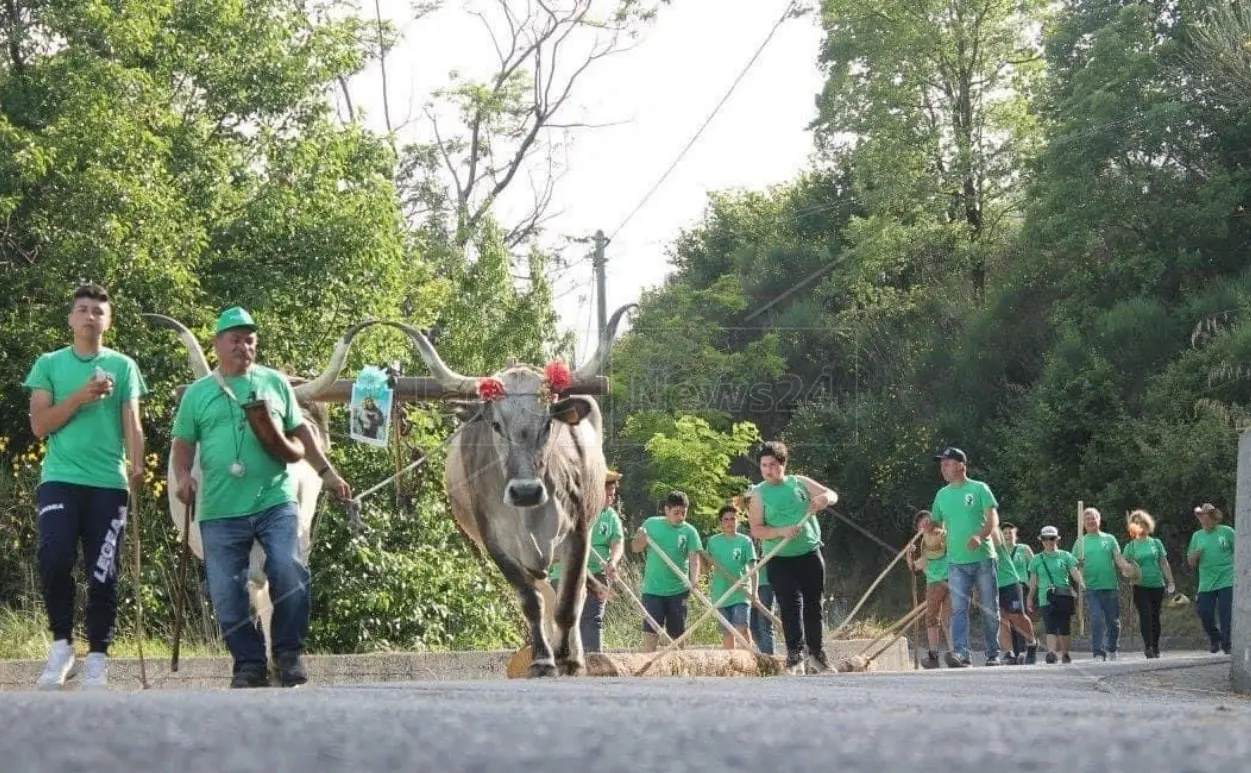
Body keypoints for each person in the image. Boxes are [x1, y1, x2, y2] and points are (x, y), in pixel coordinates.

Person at [171, 306, 351, 688]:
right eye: (235, 338)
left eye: (250, 339)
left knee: (289, 569)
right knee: (224, 589)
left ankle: (288, 655)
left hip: (274, 499)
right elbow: (183, 443)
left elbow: (300, 433)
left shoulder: (275, 383)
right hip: (219, 507)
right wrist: (183, 476)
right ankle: (249, 663)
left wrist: (328, 474)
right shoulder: (198, 395)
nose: (243, 345)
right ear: (218, 344)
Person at [22, 284, 148, 690]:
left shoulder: (124, 365)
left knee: (103, 571)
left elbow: (133, 420)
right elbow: (40, 426)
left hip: (108, 483)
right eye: (82, 309)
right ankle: (62, 646)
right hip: (60, 478)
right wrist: (81, 395)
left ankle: (98, 656)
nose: (90, 316)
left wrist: (139, 463)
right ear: (71, 319)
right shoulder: (50, 364)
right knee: (54, 555)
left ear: (107, 321)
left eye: (98, 310)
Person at [747, 440, 839, 674]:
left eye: (772, 464)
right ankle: (794, 654)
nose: (768, 469)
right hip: (779, 557)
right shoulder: (758, 494)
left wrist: (824, 499)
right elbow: (756, 529)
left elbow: (832, 494)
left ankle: (817, 653)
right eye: (763, 465)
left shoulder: (799, 482)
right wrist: (780, 531)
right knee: (790, 604)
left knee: (813, 604)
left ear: (783, 464)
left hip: (809, 552)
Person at [928, 447, 1001, 668]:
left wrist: (980, 536)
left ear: (961, 465)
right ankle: (961, 653)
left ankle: (993, 653)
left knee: (989, 605)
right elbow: (937, 523)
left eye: (947, 464)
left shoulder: (980, 489)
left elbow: (993, 520)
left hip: (983, 558)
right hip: (956, 561)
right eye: (941, 465)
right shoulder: (941, 494)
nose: (943, 468)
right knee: (959, 608)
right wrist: (929, 527)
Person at [550, 469, 625, 653]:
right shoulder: (574, 510)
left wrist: (613, 562)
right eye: (609, 494)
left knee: (593, 618)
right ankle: (562, 658)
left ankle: (593, 658)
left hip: (598, 574)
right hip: (566, 573)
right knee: (564, 618)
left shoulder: (610, 516)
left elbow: (617, 542)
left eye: (613, 494)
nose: (612, 498)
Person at [632, 490, 702, 652]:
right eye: (676, 513)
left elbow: (694, 558)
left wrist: (694, 581)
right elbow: (635, 548)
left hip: (679, 589)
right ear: (666, 510)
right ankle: (648, 665)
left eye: (683, 513)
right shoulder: (650, 524)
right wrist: (641, 540)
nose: (680, 517)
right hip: (653, 589)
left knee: (677, 632)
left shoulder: (689, 531)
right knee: (651, 630)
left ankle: (678, 667)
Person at [1072, 507, 1132, 661]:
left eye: (1094, 518)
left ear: (1099, 520)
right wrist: (1080, 576)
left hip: (1110, 586)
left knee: (1113, 622)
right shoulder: (1080, 542)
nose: (1091, 521)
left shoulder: (1109, 539)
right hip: (1091, 587)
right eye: (1087, 519)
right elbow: (1073, 565)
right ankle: (1098, 652)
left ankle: (1112, 647)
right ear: (1084, 523)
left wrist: (1126, 567)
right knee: (1096, 618)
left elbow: (1118, 558)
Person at [1121, 509, 1175, 659]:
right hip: (1140, 585)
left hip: (1157, 583)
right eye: (1136, 523)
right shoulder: (1130, 547)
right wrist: (1129, 571)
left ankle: (1156, 646)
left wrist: (1170, 581)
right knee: (1145, 615)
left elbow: (1163, 563)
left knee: (1155, 616)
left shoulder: (1156, 543)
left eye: (1142, 523)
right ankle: (1148, 646)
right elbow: (1125, 567)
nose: (1140, 526)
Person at [1027, 525, 1083, 664]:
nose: (1049, 541)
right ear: (1042, 540)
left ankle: (1065, 653)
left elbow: (1074, 571)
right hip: (1046, 597)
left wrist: (1081, 582)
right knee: (1050, 626)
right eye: (1046, 539)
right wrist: (1029, 597)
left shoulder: (1065, 556)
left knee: (1064, 627)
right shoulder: (1037, 559)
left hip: (1063, 595)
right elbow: (1033, 581)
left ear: (1056, 539)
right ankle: (1051, 653)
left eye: (1052, 538)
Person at [704, 504, 757, 649]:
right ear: (721, 522)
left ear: (737, 521)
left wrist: (754, 592)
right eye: (726, 519)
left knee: (742, 629)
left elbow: (753, 569)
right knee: (727, 633)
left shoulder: (745, 541)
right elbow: (706, 567)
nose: (729, 522)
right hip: (721, 594)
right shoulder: (713, 542)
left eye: (732, 519)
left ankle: (751, 660)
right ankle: (732, 665)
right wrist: (699, 556)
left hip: (741, 592)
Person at [906, 510, 953, 669]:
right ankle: (934, 655)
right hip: (934, 583)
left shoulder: (946, 534)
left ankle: (956, 652)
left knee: (949, 618)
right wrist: (909, 554)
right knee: (932, 618)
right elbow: (915, 567)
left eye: (926, 520)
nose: (924, 524)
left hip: (951, 580)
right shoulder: (924, 543)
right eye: (920, 524)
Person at [1188, 503, 1235, 655]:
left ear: (1214, 518)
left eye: (1206, 516)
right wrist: (1195, 555)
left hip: (1227, 579)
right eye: (1201, 517)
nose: (1203, 519)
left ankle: (1227, 644)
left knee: (1225, 612)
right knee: (1204, 612)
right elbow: (1191, 562)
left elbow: (1240, 551)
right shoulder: (1197, 536)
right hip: (1207, 582)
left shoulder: (1227, 532)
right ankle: (1216, 638)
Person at [993, 523, 1038, 665]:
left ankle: (1031, 643)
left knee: (1017, 617)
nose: (1007, 535)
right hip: (996, 585)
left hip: (1015, 583)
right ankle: (1009, 652)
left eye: (1009, 533)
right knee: (1002, 618)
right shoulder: (988, 547)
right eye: (1004, 533)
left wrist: (1033, 585)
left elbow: (1035, 566)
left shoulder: (1021, 549)